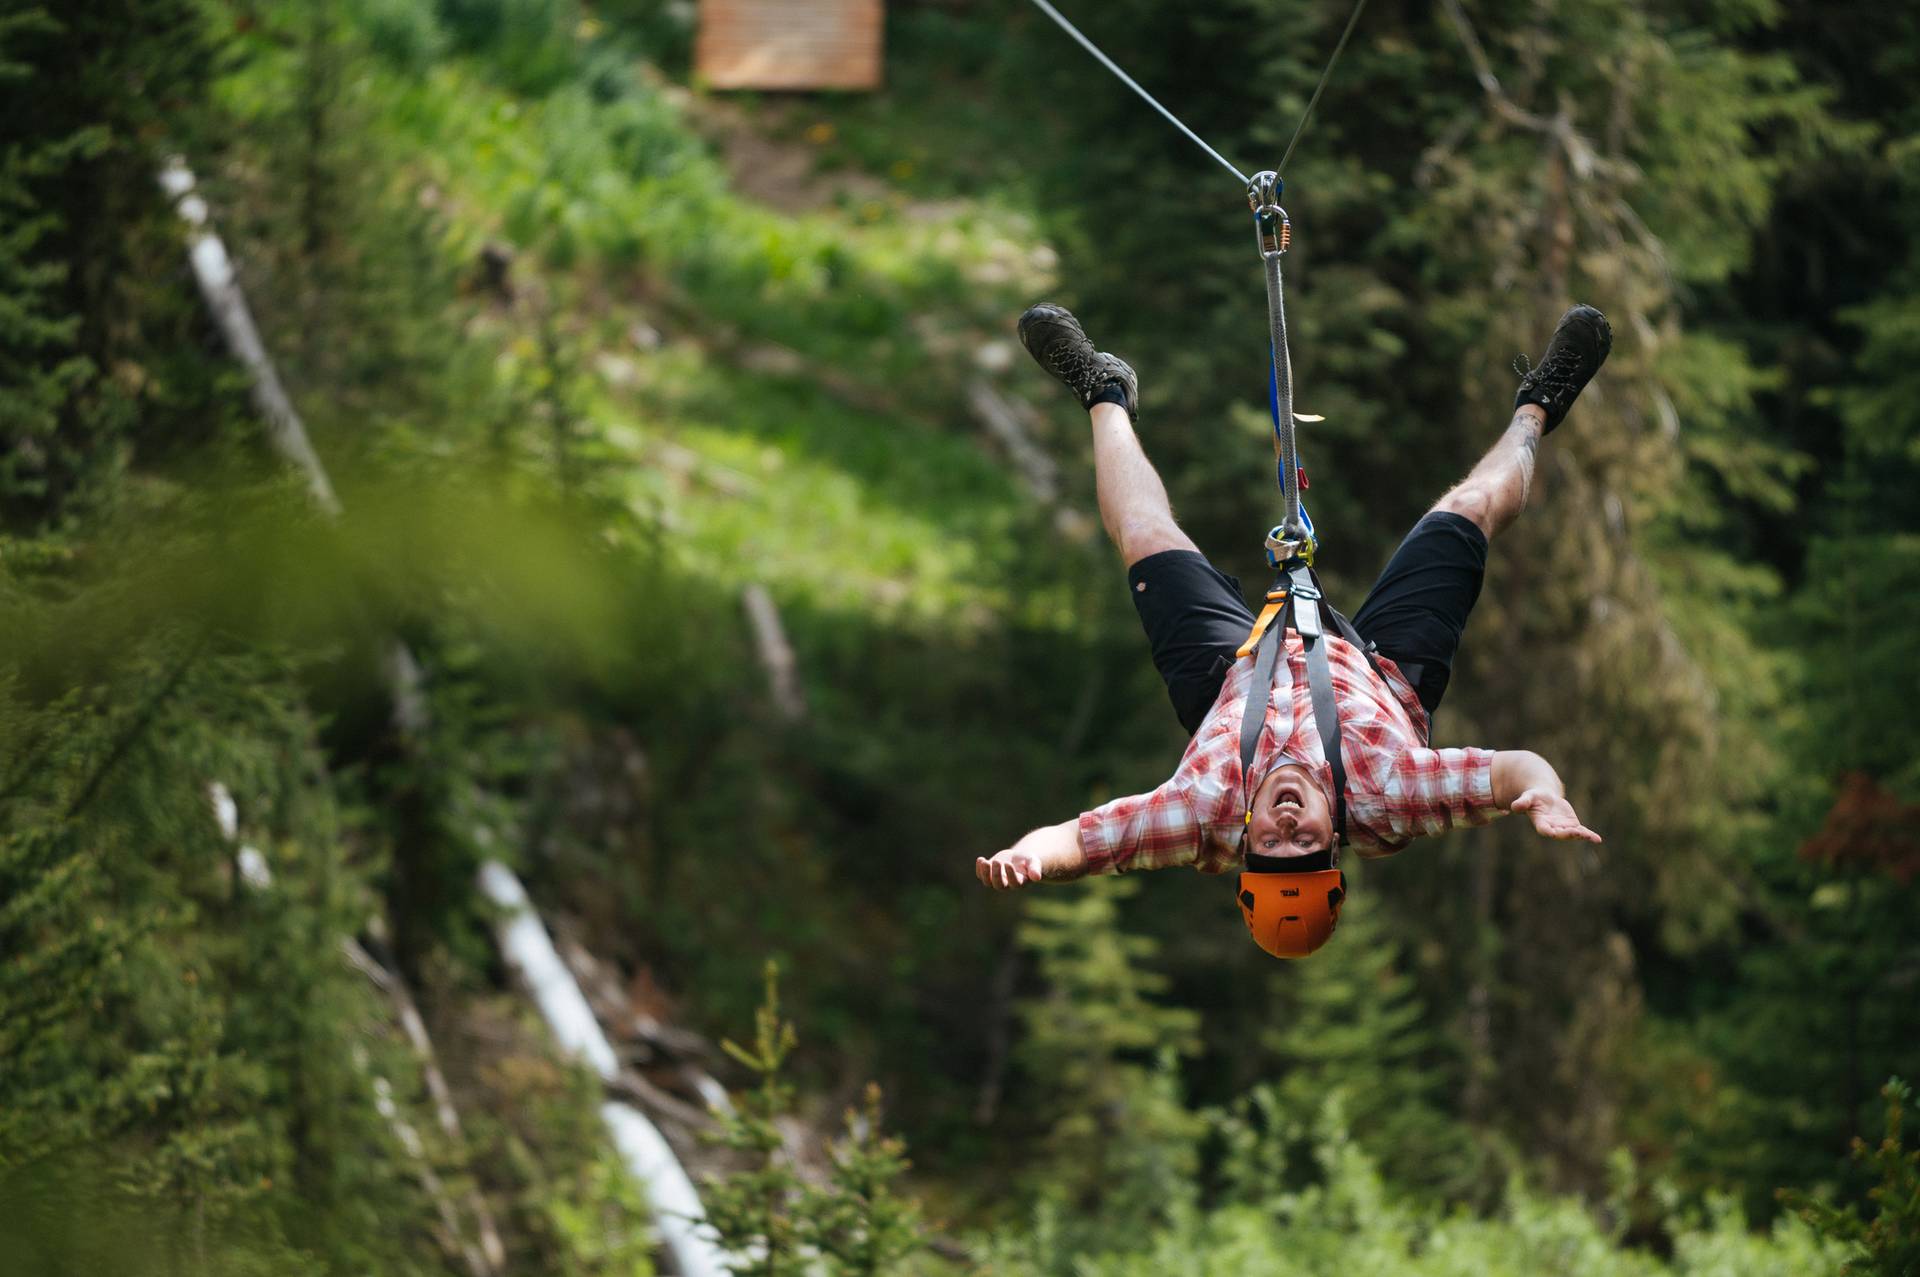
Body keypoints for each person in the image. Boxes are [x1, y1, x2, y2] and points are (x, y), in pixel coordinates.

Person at [975, 302, 1611, 898]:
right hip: (1381, 678)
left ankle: (1104, 390)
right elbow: (1513, 771)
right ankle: (1540, 404)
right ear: (1333, 839)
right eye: (1303, 842)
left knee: (1143, 534)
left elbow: (1084, 845)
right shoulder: (1390, 794)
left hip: (1232, 689)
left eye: (1268, 844)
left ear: (1243, 839)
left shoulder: (1203, 810)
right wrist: (1546, 796)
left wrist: (1029, 857)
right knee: (1467, 511)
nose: (1285, 826)